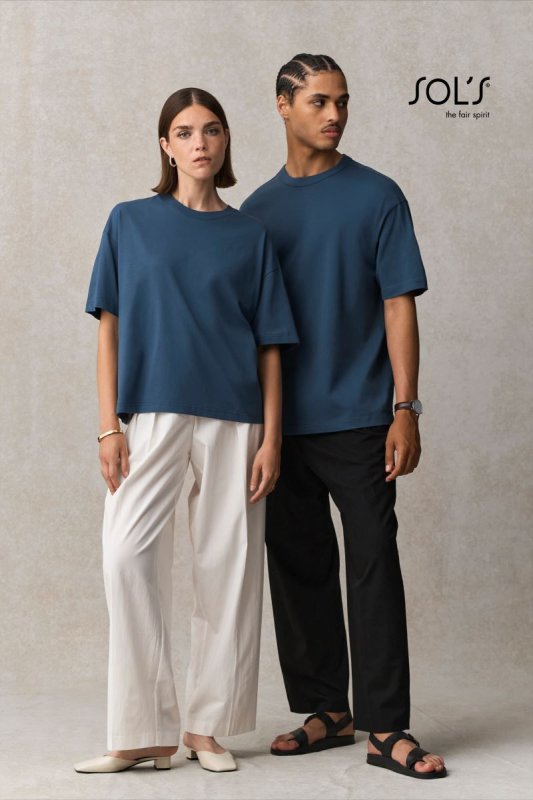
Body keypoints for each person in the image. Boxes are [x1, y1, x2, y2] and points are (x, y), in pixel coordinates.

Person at [74, 88, 300, 775]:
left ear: (225, 142)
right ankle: (143, 730)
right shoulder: (130, 222)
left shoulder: (249, 235)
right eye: (184, 132)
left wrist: (272, 437)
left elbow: (270, 344)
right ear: (165, 146)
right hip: (153, 412)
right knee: (125, 555)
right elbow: (109, 328)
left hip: (236, 416)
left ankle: (207, 727)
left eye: (211, 130)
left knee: (227, 566)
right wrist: (107, 427)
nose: (199, 142)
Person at [239, 53, 447, 780]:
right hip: (279, 426)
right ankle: (327, 709)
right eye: (319, 101)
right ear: (282, 105)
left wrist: (405, 407)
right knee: (297, 568)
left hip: (360, 417)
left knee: (371, 566)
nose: (335, 115)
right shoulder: (256, 212)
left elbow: (398, 303)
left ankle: (387, 726)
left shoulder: (377, 195)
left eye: (343, 101)